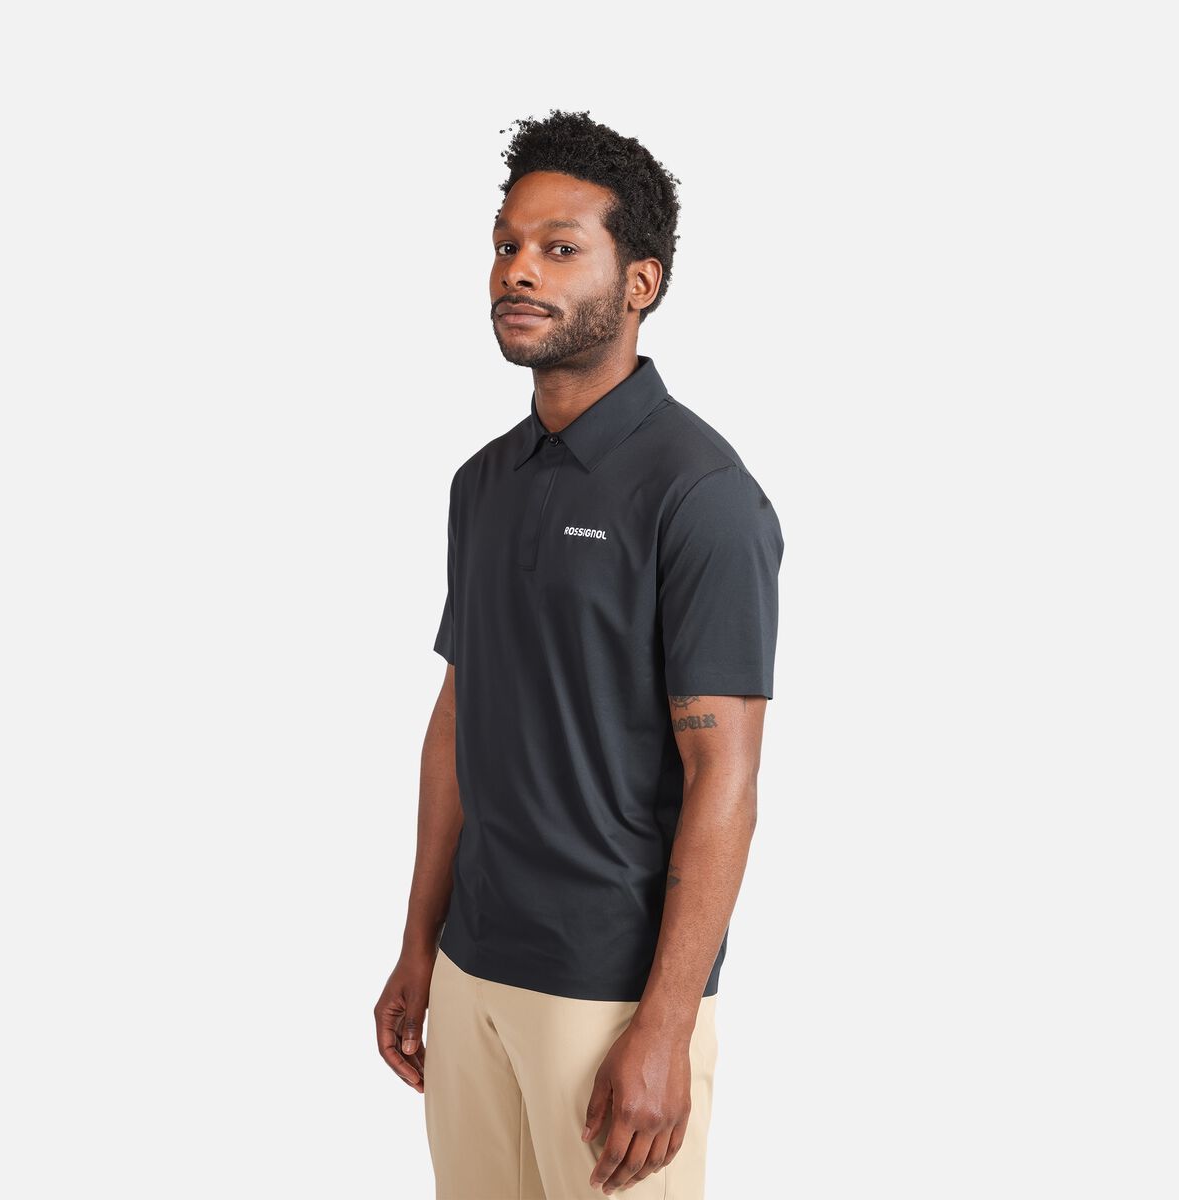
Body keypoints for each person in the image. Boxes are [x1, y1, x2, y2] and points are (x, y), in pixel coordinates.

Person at [374, 109, 785, 1199]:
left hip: (608, 999)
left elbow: (725, 776)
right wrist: (419, 945)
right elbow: (460, 716)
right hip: (471, 970)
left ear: (640, 283)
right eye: (507, 245)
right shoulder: (482, 483)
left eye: (561, 249)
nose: (519, 270)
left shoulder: (703, 495)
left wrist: (665, 1026)